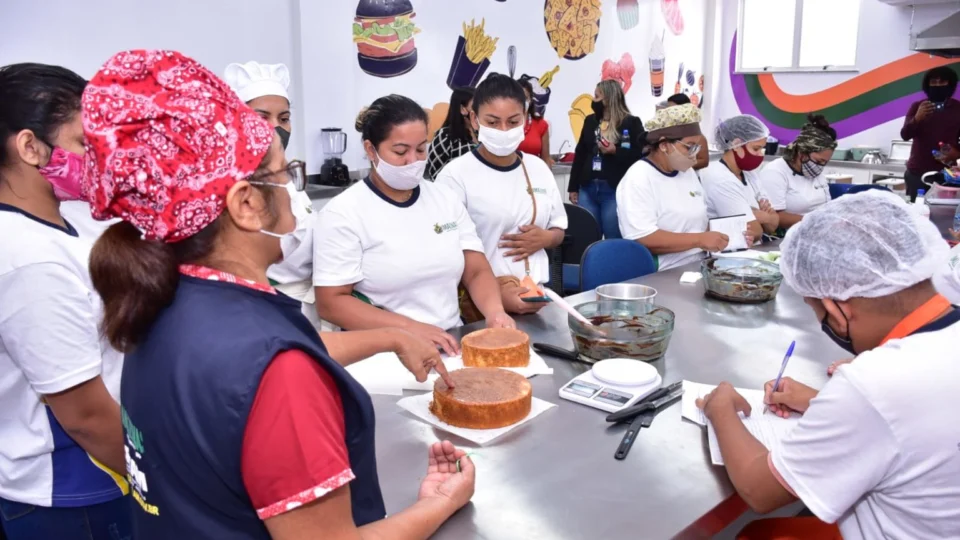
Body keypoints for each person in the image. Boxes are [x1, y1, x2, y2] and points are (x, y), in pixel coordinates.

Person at [83, 50, 476, 539]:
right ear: (247, 204)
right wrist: (440, 504)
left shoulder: (158, 303)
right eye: (283, 174)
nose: (292, 188)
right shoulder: (277, 370)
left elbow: (256, 366)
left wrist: (391, 337)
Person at [697, 191, 960, 539]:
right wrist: (820, 402)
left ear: (837, 309)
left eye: (817, 311)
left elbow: (759, 491)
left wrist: (720, 409)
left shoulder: (875, 384)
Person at [0, 63, 130, 539]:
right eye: (83, 144)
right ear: (31, 146)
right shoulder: (28, 258)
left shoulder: (67, 222)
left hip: (98, 476)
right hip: (73, 492)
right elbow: (85, 416)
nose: (98, 158)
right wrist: (160, 477)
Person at [314, 94, 514, 352]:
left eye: (421, 149)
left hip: (450, 342)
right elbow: (331, 302)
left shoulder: (444, 198)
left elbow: (475, 270)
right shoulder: (344, 213)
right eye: (400, 151)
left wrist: (495, 312)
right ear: (370, 149)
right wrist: (408, 329)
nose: (413, 161)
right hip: (382, 354)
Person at [436, 74, 567, 319]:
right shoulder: (455, 176)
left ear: (525, 120)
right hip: (480, 307)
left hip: (535, 299)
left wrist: (545, 238)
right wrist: (497, 295)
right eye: (493, 122)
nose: (504, 130)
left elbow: (558, 228)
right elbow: (448, 251)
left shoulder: (538, 168)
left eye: (513, 121)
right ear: (475, 119)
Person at [224, 61, 319, 323]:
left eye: (284, 119)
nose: (275, 128)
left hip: (307, 305)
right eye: (261, 117)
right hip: (260, 307)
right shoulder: (230, 187)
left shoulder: (289, 176)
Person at [616, 103, 729, 272]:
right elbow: (643, 238)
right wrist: (699, 240)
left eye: (697, 147)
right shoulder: (638, 178)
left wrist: (725, 237)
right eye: (689, 147)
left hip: (699, 264)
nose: (695, 154)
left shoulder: (687, 173)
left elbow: (699, 221)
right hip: (662, 272)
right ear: (663, 145)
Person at [567, 80, 646, 238]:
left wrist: (615, 151)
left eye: (597, 96)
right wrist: (573, 186)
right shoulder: (591, 121)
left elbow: (640, 155)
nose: (593, 100)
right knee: (587, 237)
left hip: (614, 190)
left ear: (609, 99)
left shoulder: (630, 123)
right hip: (588, 188)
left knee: (613, 236)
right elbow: (581, 153)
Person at [701, 115, 779, 240]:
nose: (760, 155)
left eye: (762, 149)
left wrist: (763, 216)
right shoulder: (720, 178)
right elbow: (754, 231)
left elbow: (773, 225)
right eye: (756, 149)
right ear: (737, 145)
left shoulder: (749, 174)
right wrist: (762, 217)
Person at [759, 114, 836, 231]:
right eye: (819, 161)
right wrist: (814, 221)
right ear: (802, 154)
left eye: (825, 162)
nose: (820, 166)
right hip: (786, 235)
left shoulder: (817, 174)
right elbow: (774, 217)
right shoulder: (775, 171)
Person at [900, 66, 960, 201]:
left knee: (945, 216)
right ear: (927, 85)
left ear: (950, 85)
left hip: (949, 174)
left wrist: (956, 153)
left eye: (942, 82)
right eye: (933, 82)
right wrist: (917, 118)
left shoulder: (958, 109)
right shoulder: (917, 106)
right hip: (917, 172)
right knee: (916, 214)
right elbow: (905, 135)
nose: (937, 86)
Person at [425, 87, 476, 180]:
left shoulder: (483, 133)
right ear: (463, 109)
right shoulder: (445, 136)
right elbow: (435, 174)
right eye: (476, 106)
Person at [666, 93, 709, 170]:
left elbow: (704, 161)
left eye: (673, 110)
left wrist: (682, 165)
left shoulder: (695, 134)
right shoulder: (665, 129)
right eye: (668, 109)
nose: (669, 113)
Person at [518, 79, 552, 166]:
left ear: (530, 100)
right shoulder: (504, 124)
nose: (521, 102)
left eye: (525, 98)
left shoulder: (541, 125)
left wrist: (548, 178)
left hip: (534, 176)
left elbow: (546, 160)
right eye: (518, 98)